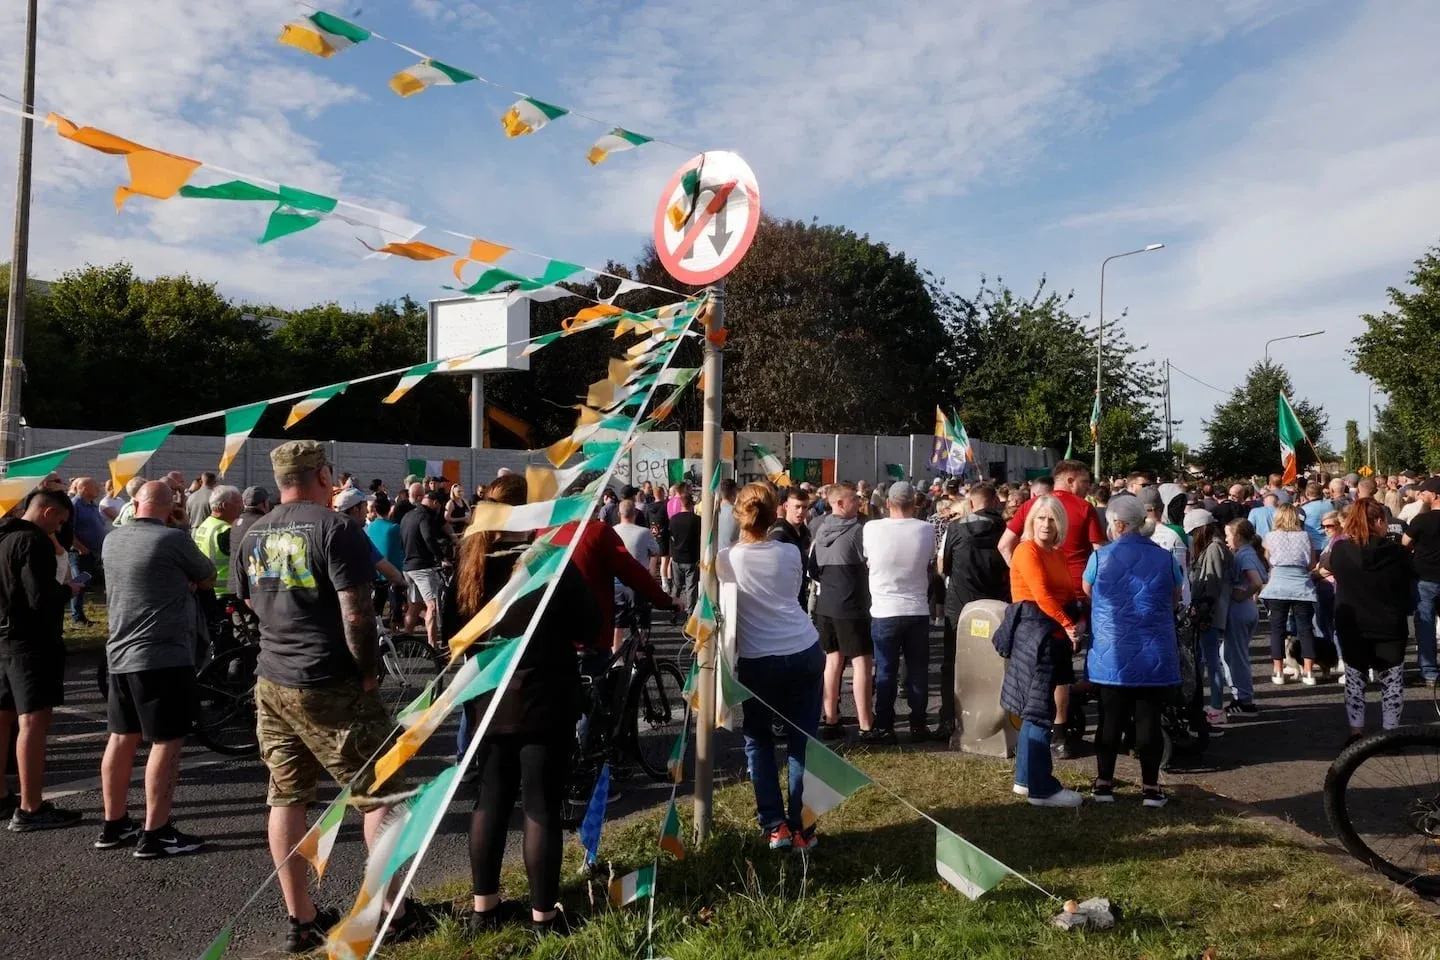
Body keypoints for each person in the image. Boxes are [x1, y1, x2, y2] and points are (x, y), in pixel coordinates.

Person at [235, 441, 425, 951]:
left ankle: (301, 919)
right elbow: (358, 614)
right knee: (381, 793)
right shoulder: (335, 528)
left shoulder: (250, 530)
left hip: (272, 680)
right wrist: (366, 673)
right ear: (322, 475)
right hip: (328, 680)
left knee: (286, 796)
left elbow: (249, 601)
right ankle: (392, 910)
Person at [458, 476, 598, 937]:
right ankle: (543, 917)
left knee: (491, 800)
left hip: (489, 699)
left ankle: (485, 908)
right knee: (540, 807)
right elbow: (590, 623)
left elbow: (452, 637)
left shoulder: (469, 563)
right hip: (544, 697)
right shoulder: (548, 564)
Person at [97, 481, 214, 857]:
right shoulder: (172, 540)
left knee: (121, 737)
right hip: (162, 654)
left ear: (134, 503)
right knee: (167, 742)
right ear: (173, 505)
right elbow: (208, 574)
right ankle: (157, 831)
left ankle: (113, 824)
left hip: (119, 650)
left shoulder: (111, 539)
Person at [717, 483, 823, 851]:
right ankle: (802, 828)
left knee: (758, 739)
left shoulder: (725, 559)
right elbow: (792, 594)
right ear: (776, 511)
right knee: (802, 741)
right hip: (803, 648)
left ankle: (775, 825)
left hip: (758, 658)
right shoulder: (790, 552)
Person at [998, 459, 1106, 757]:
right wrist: (1026, 577)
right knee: (1055, 672)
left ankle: (1050, 736)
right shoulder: (1083, 509)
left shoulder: (1034, 510)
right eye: (1085, 483)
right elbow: (1101, 554)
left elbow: (1003, 544)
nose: (1088, 489)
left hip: (1051, 599)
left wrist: (1021, 578)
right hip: (1069, 599)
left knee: (1051, 670)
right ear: (1070, 480)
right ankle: (1055, 734)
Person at [1083, 495, 1183, 807]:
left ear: (1118, 524)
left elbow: (1088, 592)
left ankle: (1103, 784)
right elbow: (1175, 598)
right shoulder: (1165, 558)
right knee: (1148, 719)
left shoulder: (1099, 559)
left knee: (1109, 718)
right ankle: (1151, 788)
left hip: (1111, 653)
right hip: (1153, 651)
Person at [0, 490, 83, 831]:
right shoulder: (34, 543)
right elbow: (41, 598)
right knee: (33, 723)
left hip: (3, 637)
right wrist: (69, 590)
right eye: (60, 520)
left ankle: (3, 795)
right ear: (48, 512)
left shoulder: (3, 535)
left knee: (3, 718)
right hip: (32, 643)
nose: (61, 528)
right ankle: (31, 807)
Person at [1001, 495, 1084, 807]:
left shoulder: (1056, 553)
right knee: (1038, 711)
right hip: (1035, 638)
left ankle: (1025, 779)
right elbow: (1041, 594)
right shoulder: (1027, 550)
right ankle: (1041, 788)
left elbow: (1066, 593)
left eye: (1052, 519)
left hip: (1052, 637)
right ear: (1030, 521)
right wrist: (1067, 624)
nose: (1046, 524)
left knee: (1037, 710)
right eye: (1040, 518)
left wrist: (1074, 617)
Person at [1329, 499, 1412, 740]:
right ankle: (1390, 732)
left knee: (1355, 680)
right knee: (1392, 681)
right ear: (1378, 521)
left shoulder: (1341, 551)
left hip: (1353, 623)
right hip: (1389, 623)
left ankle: (1356, 731)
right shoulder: (1397, 553)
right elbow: (1406, 585)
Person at [862, 480, 935, 742]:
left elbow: (868, 559)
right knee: (917, 670)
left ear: (887, 503)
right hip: (916, 608)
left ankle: (885, 725)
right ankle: (918, 724)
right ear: (914, 503)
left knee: (885, 670)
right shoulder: (926, 530)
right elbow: (930, 561)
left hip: (884, 609)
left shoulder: (871, 528)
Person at [939, 482, 1010, 740]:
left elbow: (944, 567)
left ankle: (949, 718)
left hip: (960, 606)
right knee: (998, 662)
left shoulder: (955, 529)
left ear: (971, 504)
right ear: (995, 502)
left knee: (953, 663)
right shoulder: (1006, 529)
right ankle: (998, 721)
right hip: (997, 605)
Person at [811, 482, 876, 742]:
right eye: (853, 500)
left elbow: (813, 568)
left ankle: (830, 719)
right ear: (839, 503)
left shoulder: (818, 527)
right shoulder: (859, 531)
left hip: (826, 603)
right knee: (862, 662)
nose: (858, 504)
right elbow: (870, 563)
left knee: (833, 661)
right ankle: (866, 724)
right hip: (852, 604)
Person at [1259, 504, 1320, 685]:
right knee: (1305, 629)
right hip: (1301, 586)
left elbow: (1269, 561)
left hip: (1278, 585)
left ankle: (1278, 671)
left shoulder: (1269, 537)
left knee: (1277, 629)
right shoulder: (1306, 536)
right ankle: (1308, 672)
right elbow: (1311, 564)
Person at [1184, 509, 1233, 727]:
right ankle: (1214, 704)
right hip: (1213, 610)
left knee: (1212, 661)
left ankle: (1216, 706)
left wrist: (1204, 611)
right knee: (1210, 660)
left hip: (1210, 613)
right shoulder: (1216, 546)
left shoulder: (1213, 549)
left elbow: (1212, 584)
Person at [1223, 518, 1267, 718]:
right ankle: (1240, 697)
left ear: (1238, 536)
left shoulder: (1244, 554)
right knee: (1229, 654)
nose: (1226, 540)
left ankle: (1245, 701)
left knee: (1236, 656)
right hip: (1247, 608)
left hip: (1240, 609)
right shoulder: (1248, 553)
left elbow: (1256, 581)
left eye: (1228, 535)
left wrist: (1241, 594)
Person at [400, 488, 450, 650]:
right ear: (435, 503)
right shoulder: (425, 516)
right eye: (439, 506)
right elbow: (428, 537)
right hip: (422, 567)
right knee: (432, 606)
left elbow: (402, 540)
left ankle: (403, 642)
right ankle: (432, 646)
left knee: (414, 605)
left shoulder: (407, 515)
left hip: (407, 567)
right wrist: (441, 558)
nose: (439, 510)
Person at [1402, 476, 1440, 686]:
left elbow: (1405, 542)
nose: (1422, 496)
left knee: (1425, 625)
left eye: (1425, 493)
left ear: (1434, 496)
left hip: (1425, 578)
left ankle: (1429, 673)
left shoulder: (1421, 520)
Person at [68, 476, 106, 625]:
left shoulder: (92, 505)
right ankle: (77, 617)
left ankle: (80, 616)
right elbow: (69, 530)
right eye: (94, 486)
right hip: (80, 553)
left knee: (87, 581)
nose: (98, 489)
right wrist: (80, 547)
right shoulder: (75, 505)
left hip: (93, 553)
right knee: (79, 582)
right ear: (83, 489)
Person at [366, 494, 406, 626]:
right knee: (395, 606)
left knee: (378, 605)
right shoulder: (394, 528)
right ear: (390, 510)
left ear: (375, 510)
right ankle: (395, 628)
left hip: (375, 571)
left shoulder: (369, 527)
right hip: (392, 572)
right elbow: (397, 551)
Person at [768, 486, 813, 606]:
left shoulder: (805, 532)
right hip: (783, 597)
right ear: (786, 506)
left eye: (804, 507)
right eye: (797, 507)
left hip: (800, 592)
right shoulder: (779, 533)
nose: (800, 512)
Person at [667, 490, 701, 620]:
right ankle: (690, 615)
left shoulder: (673, 520)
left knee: (677, 586)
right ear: (691, 504)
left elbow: (672, 538)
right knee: (691, 588)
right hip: (691, 558)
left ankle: (673, 611)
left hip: (677, 557)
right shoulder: (697, 520)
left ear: (680, 504)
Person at [716, 478, 739, 549]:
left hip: (715, 555)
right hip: (731, 555)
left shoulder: (714, 511)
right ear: (734, 493)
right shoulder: (738, 513)